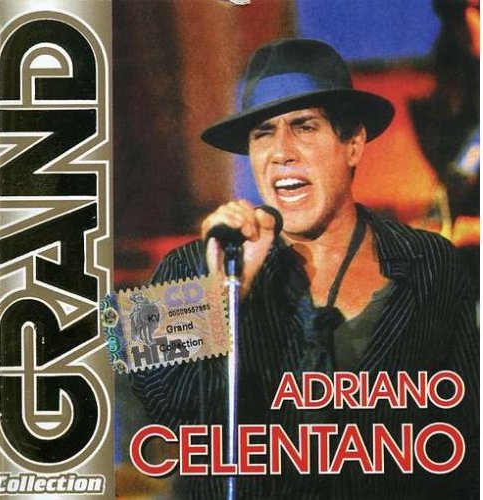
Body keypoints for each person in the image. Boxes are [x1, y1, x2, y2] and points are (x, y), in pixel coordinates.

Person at [131, 39, 478, 499]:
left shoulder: (432, 261)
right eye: (263, 133)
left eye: (304, 126)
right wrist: (222, 294)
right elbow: (146, 419)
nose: (281, 151)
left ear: (353, 144)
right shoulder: (188, 264)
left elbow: (468, 444)